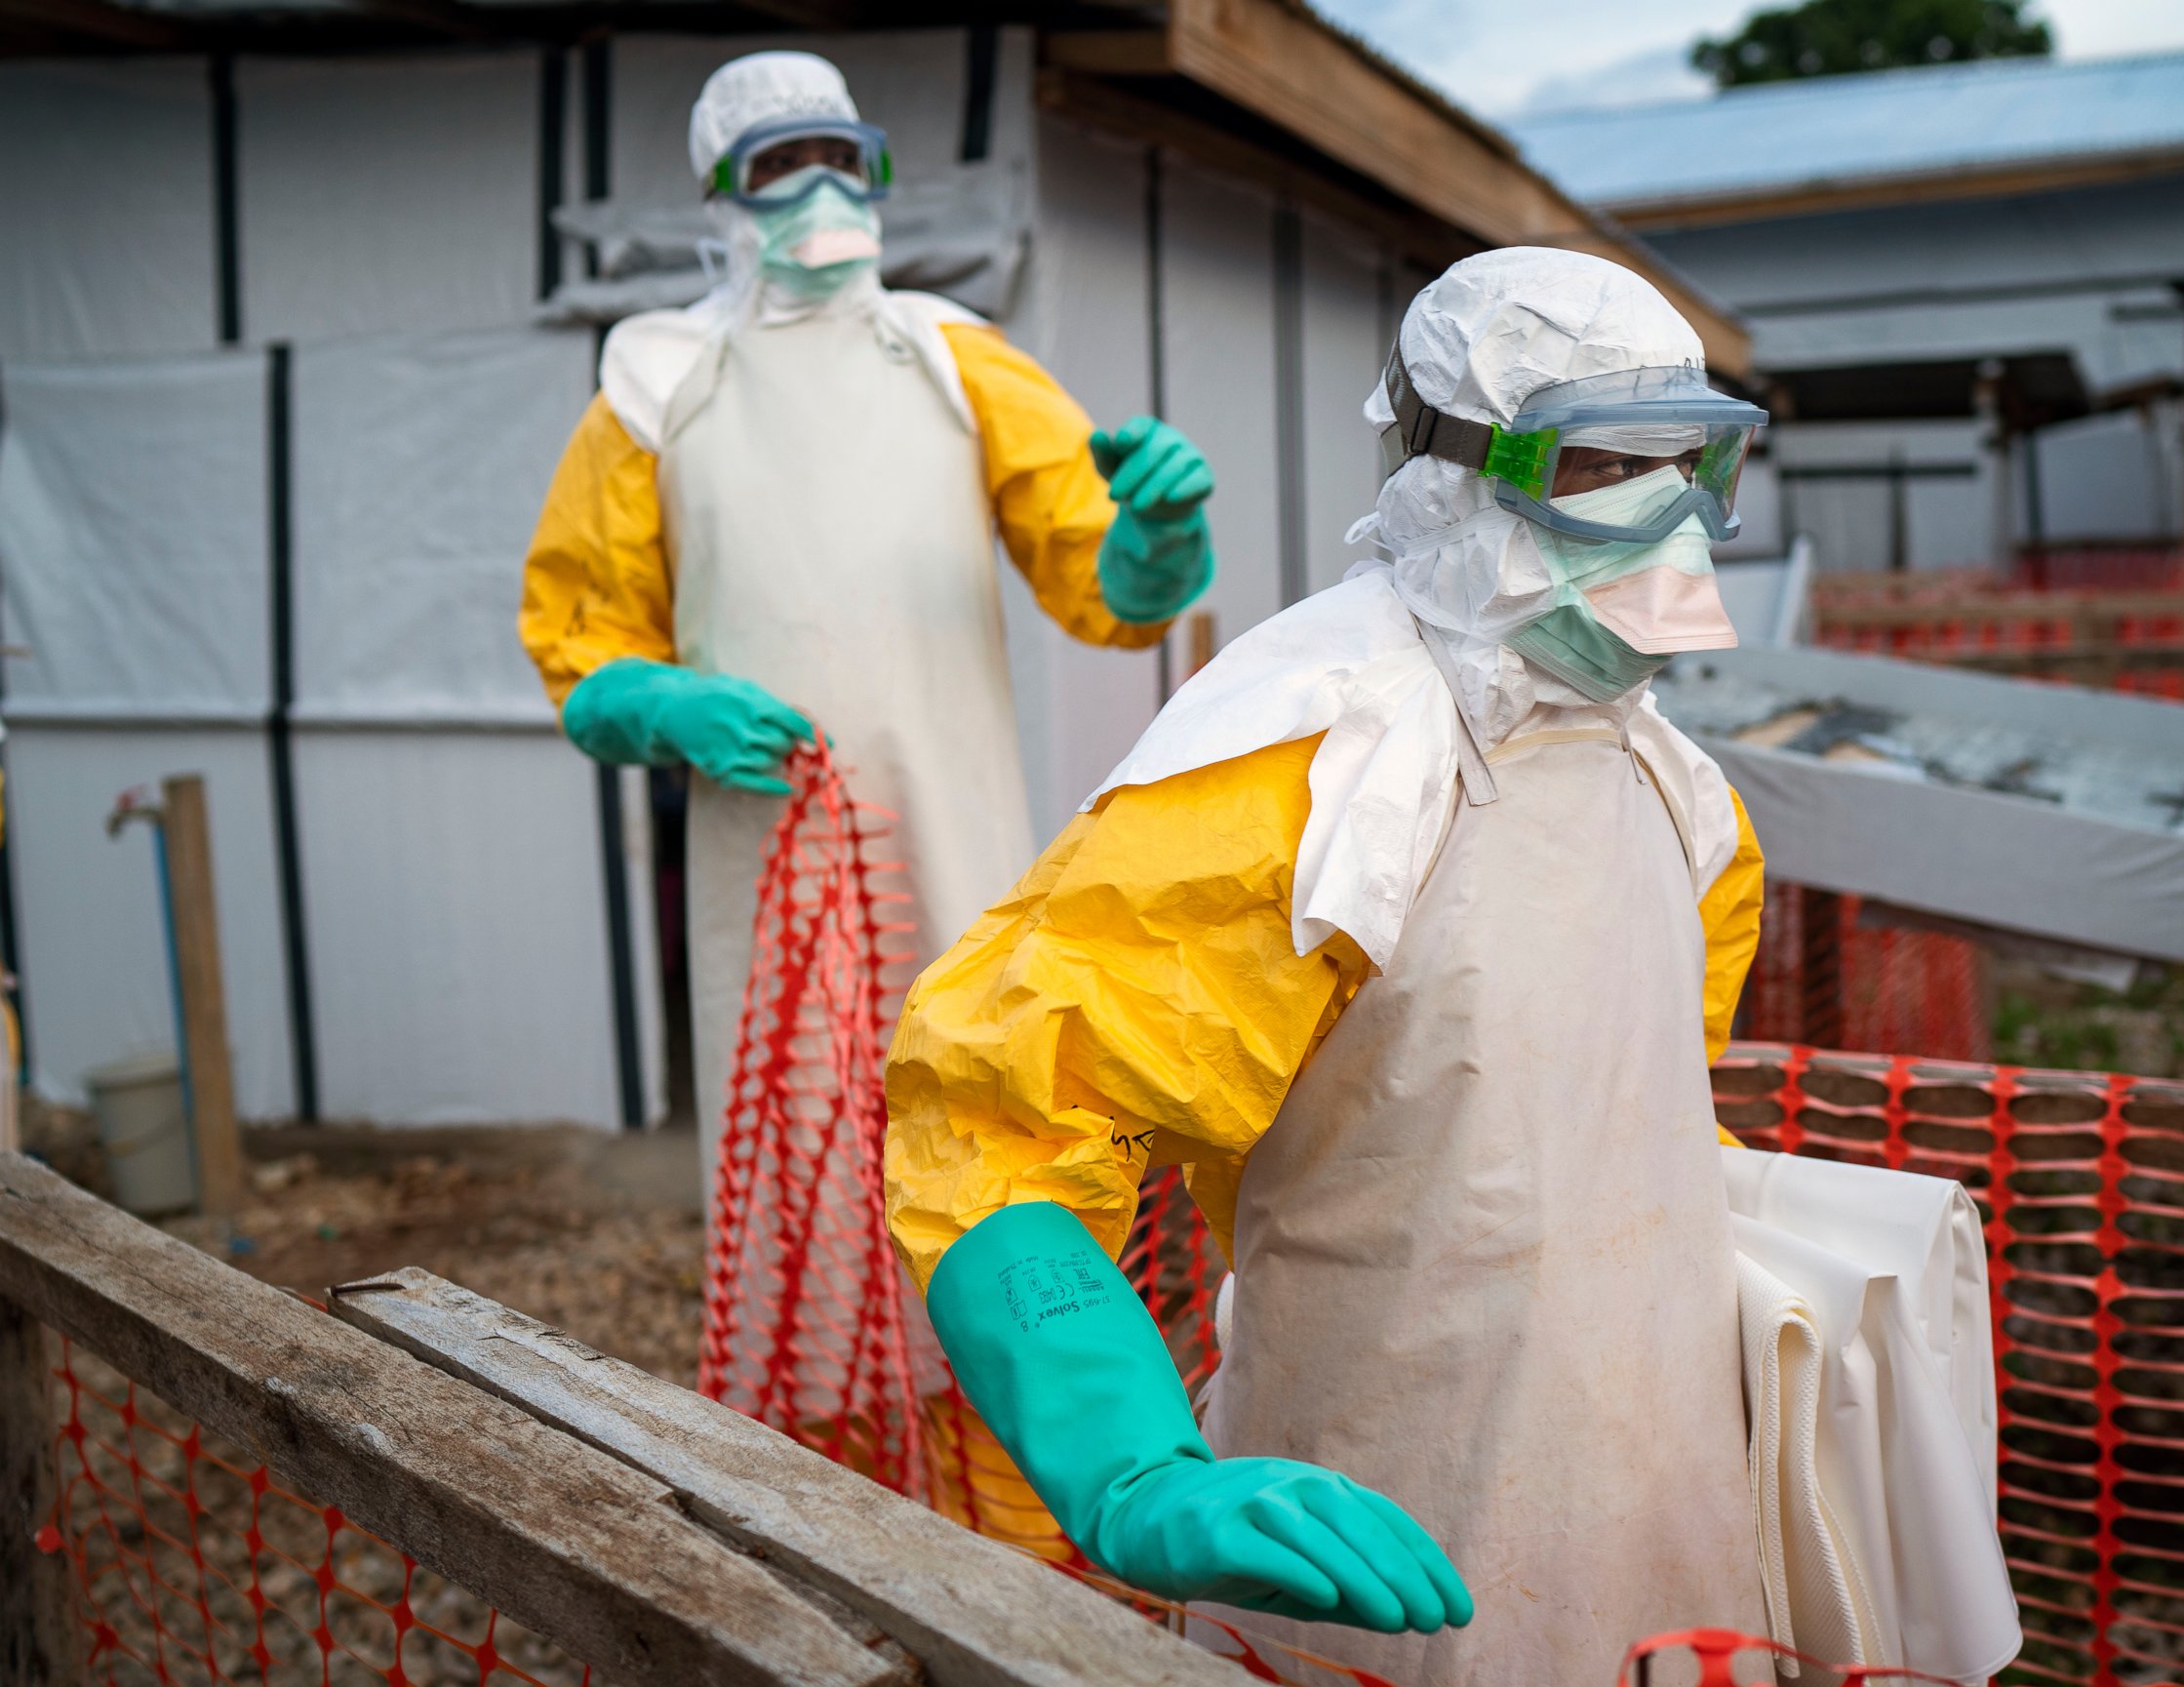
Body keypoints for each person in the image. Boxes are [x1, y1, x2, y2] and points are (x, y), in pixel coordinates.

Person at [884, 247, 1772, 1685]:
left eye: (1693, 465)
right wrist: (1132, 1465)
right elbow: (1001, 1125)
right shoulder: (1309, 765)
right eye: (1607, 467)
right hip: (1372, 1511)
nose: (1668, 522)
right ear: (1455, 473)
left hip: (1667, 1491)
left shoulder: (1680, 793)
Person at [518, 50, 1215, 1158]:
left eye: (842, 161)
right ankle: (818, 1340)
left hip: (956, 822)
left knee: (977, 1111)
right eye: (780, 165)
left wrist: (1159, 535)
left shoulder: (957, 357)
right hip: (769, 844)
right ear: (725, 196)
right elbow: (581, 633)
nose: (820, 193)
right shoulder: (654, 382)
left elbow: (1105, 591)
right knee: (798, 1140)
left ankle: (962, 1340)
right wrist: (658, 703)